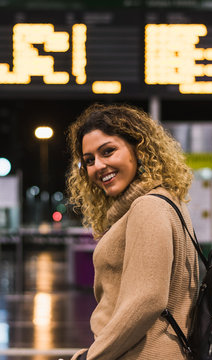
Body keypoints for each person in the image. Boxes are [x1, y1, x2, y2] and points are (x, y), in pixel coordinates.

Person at [66, 103, 199, 360]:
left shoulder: (148, 207)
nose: (98, 166)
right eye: (89, 160)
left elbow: (146, 301)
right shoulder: (164, 202)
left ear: (139, 149)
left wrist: (91, 357)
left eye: (108, 151)